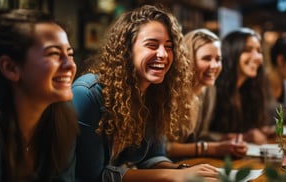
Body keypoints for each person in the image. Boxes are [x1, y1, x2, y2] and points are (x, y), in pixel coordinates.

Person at [72, 5, 219, 182]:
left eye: (169, 46)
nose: (163, 54)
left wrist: (184, 171)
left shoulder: (155, 93)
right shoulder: (87, 94)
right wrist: (173, 176)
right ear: (127, 49)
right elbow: (93, 176)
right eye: (152, 45)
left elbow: (153, 157)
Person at [0, 9, 79, 181]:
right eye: (53, 53)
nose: (70, 65)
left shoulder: (61, 117)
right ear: (10, 68)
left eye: (70, 54)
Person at [166, 28, 247, 160]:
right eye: (206, 58)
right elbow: (163, 149)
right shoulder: (170, 94)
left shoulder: (208, 90)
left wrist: (223, 138)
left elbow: (200, 135)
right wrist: (212, 148)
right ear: (188, 59)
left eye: (218, 59)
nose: (214, 66)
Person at [210, 28, 274, 145]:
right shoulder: (213, 88)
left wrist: (260, 131)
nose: (257, 57)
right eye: (247, 50)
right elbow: (202, 134)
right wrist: (244, 137)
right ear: (232, 53)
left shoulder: (250, 89)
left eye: (259, 51)